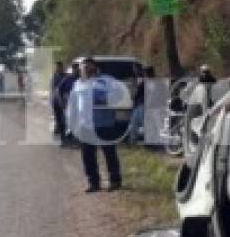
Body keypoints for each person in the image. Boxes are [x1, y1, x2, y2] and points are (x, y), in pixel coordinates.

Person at [66, 57, 122, 192]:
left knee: (109, 153)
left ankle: (115, 180)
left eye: (88, 67)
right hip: (85, 126)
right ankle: (93, 183)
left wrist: (106, 99)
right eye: (83, 68)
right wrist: (71, 123)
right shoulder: (78, 84)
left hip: (104, 124)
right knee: (88, 156)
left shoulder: (107, 80)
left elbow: (118, 96)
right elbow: (72, 105)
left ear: (95, 67)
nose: (85, 70)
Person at [127, 65, 153, 145]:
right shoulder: (142, 80)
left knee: (144, 124)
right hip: (138, 105)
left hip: (143, 105)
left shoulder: (148, 81)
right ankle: (132, 141)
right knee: (133, 124)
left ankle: (149, 142)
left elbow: (138, 92)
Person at [49, 61, 68, 137]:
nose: (57, 68)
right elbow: (54, 89)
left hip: (64, 101)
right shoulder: (54, 77)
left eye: (59, 67)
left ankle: (60, 132)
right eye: (56, 67)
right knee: (59, 118)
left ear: (62, 67)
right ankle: (62, 136)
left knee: (63, 119)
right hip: (57, 101)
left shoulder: (65, 76)